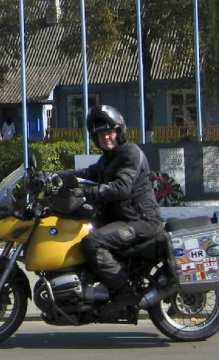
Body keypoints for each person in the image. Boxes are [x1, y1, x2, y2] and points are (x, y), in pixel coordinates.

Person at [60, 104, 162, 312]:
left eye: (110, 132)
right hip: (123, 219)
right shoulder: (109, 158)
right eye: (101, 134)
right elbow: (89, 173)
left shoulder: (130, 153)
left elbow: (121, 188)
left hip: (141, 222)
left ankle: (124, 293)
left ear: (119, 132)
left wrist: (85, 192)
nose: (106, 137)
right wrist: (60, 175)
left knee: (93, 243)